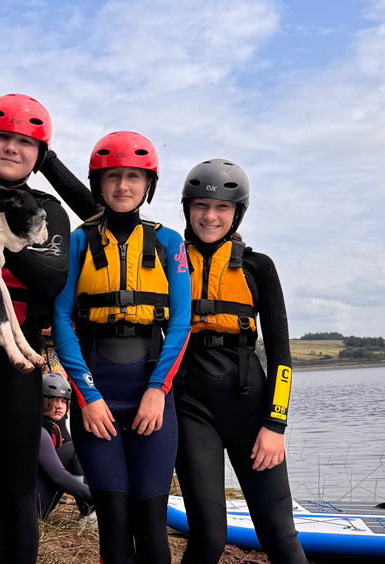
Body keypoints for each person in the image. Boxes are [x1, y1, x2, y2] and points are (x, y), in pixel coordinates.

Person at [51, 131, 191, 564]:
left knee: (150, 518)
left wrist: (158, 390)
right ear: (98, 183)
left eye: (133, 176)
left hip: (151, 392)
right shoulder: (78, 240)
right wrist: (88, 396)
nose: (123, 186)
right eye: (112, 176)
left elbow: (182, 323)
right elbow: (62, 319)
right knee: (113, 516)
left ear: (148, 183)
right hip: (98, 394)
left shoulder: (169, 242)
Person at [173, 159, 308, 563]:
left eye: (222, 208)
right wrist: (49, 160)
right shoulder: (169, 260)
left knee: (280, 534)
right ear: (187, 208)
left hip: (251, 408)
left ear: (237, 213)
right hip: (190, 408)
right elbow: (101, 209)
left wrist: (275, 424)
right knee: (209, 538)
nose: (210, 216)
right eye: (200, 205)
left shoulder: (258, 267)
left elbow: (282, 357)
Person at [0, 93, 71, 563]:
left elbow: (52, 277)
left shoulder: (50, 210)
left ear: (39, 155)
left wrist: (0, 232)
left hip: (16, 358)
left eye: (26, 142)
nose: (12, 148)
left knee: (15, 485)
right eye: (3, 137)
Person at [36, 373, 93, 520]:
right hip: (27, 506)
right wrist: (98, 496)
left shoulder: (51, 428)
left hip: (30, 500)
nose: (59, 406)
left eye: (63, 401)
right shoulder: (37, 431)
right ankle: (89, 510)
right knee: (74, 449)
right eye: (53, 400)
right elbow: (57, 475)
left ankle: (88, 510)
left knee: (76, 448)